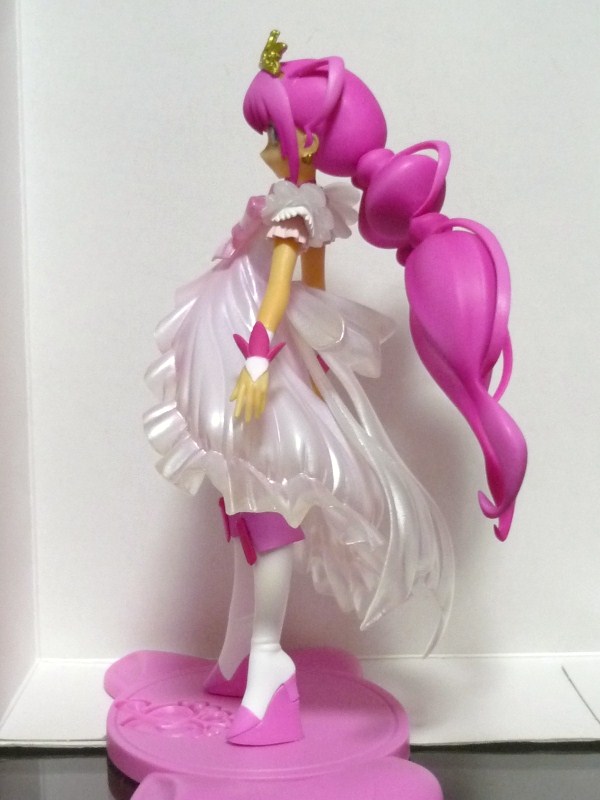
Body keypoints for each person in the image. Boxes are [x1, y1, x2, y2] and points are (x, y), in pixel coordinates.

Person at [143, 31, 527, 747]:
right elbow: (311, 295)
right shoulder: (298, 203)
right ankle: (240, 654)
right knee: (243, 506)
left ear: (310, 142)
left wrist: (261, 359)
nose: (265, 148)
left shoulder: (297, 207)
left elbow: (284, 290)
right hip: (254, 358)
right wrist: (302, 355)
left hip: (256, 363)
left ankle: (269, 662)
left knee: (266, 510)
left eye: (274, 134)